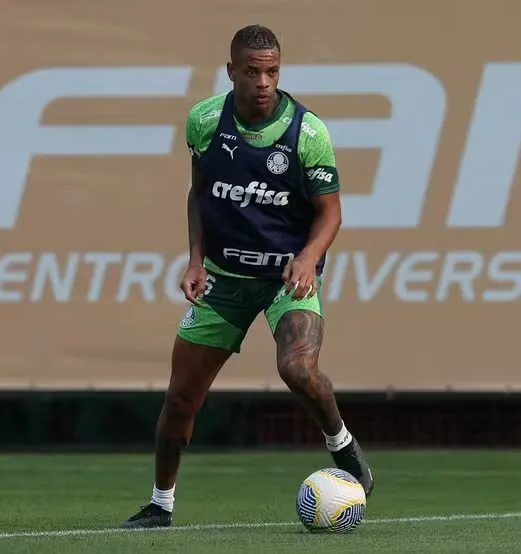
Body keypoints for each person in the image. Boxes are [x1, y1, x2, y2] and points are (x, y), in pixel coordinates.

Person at [119, 24, 374, 529]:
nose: (264, 81)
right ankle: (160, 506)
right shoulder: (205, 121)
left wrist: (306, 258)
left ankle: (342, 447)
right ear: (231, 69)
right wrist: (195, 259)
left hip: (286, 278)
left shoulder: (307, 132)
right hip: (223, 279)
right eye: (253, 71)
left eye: (273, 71)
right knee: (180, 398)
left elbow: (331, 214)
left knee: (298, 370)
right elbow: (199, 194)